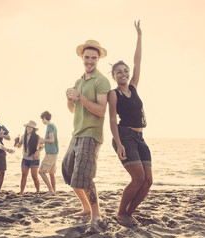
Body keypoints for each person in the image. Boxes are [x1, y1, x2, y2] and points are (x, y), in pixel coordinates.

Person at [108, 20, 153, 224]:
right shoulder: (114, 94)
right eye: (119, 72)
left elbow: (138, 62)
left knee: (148, 180)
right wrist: (119, 144)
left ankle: (129, 212)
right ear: (114, 76)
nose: (124, 74)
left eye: (125, 71)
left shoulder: (133, 86)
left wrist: (140, 37)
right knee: (137, 179)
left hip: (140, 137)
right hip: (124, 135)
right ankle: (121, 212)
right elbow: (111, 120)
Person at [62, 39, 111, 225]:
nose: (89, 61)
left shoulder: (101, 81)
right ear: (82, 58)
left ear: (98, 59)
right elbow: (73, 110)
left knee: (85, 175)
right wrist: (69, 98)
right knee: (69, 172)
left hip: (91, 134)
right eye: (86, 57)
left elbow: (101, 110)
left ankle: (96, 214)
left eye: (93, 58)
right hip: (77, 133)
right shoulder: (79, 80)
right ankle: (86, 208)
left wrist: (81, 97)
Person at [14, 120, 43, 194]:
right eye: (28, 127)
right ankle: (21, 192)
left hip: (34, 159)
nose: (29, 128)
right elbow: (19, 146)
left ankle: (37, 191)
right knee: (24, 176)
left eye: (31, 127)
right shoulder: (23, 136)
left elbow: (42, 146)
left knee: (34, 177)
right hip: (25, 159)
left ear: (33, 129)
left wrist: (37, 152)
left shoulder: (37, 137)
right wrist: (16, 142)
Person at [38, 111, 59, 195]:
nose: (42, 121)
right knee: (51, 173)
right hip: (54, 152)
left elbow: (51, 140)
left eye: (42, 119)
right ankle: (53, 190)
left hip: (50, 153)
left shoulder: (49, 126)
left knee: (41, 172)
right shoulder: (53, 125)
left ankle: (50, 190)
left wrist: (43, 140)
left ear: (44, 118)